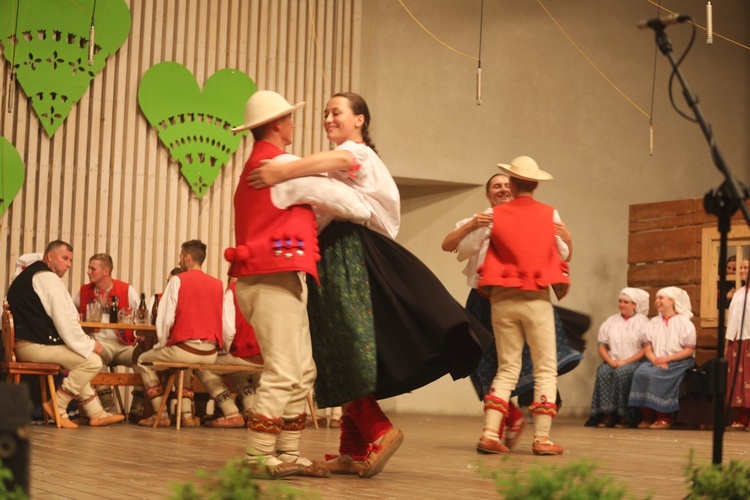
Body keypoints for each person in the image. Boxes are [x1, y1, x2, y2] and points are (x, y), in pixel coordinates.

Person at [248, 92, 493, 477]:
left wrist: (282, 172)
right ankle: (352, 447)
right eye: (326, 113)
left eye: (337, 112)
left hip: (348, 252)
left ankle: (378, 430)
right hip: (339, 253)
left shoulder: (355, 154)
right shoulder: (337, 168)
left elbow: (342, 160)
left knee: (342, 346)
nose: (328, 118)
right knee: (342, 347)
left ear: (360, 119)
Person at [225, 90, 372, 479]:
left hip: (272, 279)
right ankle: (258, 455)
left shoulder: (259, 165)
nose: (294, 122)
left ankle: (287, 452)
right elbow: (354, 205)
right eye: (289, 117)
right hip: (271, 280)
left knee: (303, 369)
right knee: (284, 370)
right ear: (277, 124)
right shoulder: (282, 164)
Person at [443, 173, 586, 444]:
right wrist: (473, 223)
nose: (503, 189)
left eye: (507, 185)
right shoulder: (487, 217)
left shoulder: (537, 217)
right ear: (488, 194)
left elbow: (564, 253)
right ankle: (517, 426)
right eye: (496, 186)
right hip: (486, 298)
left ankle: (501, 428)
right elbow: (449, 245)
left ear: (516, 189)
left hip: (514, 295)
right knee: (484, 364)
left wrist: (569, 238)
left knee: (521, 366)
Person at [471, 155, 570, 456]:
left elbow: (468, 247)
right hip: (535, 297)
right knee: (545, 368)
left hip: (501, 299)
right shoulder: (549, 214)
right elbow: (564, 253)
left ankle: (490, 432)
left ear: (512, 183)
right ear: (536, 183)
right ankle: (541, 438)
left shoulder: (495, 215)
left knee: (507, 367)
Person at [6, 240, 125, 428]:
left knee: (79, 363)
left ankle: (96, 413)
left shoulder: (26, 276)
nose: (69, 264)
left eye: (70, 260)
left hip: (24, 345)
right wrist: (91, 344)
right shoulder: (46, 278)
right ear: (50, 256)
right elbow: (65, 322)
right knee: (92, 361)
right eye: (65, 258)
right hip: (34, 347)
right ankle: (58, 406)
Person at [137, 240, 224, 428]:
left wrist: (162, 343)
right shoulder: (218, 284)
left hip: (186, 348)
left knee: (144, 360)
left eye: (180, 258)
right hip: (211, 353)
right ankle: (185, 414)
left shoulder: (178, 280)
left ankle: (161, 413)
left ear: (187, 257)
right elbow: (223, 321)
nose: (179, 262)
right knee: (186, 366)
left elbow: (165, 318)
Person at [74, 253, 142, 418]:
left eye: (92, 268)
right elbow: (72, 315)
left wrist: (139, 335)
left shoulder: (126, 289)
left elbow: (140, 314)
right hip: (99, 344)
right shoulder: (84, 291)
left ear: (106, 271)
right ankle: (108, 409)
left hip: (124, 343)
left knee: (143, 360)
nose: (88, 272)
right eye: (89, 268)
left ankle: (136, 409)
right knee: (94, 359)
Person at [194, 277, 262, 428]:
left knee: (201, 365)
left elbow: (229, 330)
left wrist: (225, 349)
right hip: (263, 357)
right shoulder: (262, 289)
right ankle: (252, 412)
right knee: (236, 373)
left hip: (244, 354)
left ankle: (231, 412)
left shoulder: (234, 290)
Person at [628, 286, 696, 430]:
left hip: (679, 361)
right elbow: (648, 348)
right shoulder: (653, 323)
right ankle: (647, 417)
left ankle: (664, 418)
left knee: (657, 375)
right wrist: (654, 360)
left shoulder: (684, 322)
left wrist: (668, 359)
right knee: (640, 373)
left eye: (661, 298)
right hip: (656, 360)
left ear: (672, 301)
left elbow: (689, 350)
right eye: (656, 299)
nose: (657, 301)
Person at [587, 288, 650, 428]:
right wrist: (610, 361)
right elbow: (602, 346)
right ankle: (608, 414)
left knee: (621, 374)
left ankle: (625, 416)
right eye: (620, 301)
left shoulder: (643, 322)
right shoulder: (611, 321)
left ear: (634, 304)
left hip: (635, 362)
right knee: (603, 372)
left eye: (626, 302)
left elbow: (646, 348)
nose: (621, 304)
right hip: (613, 361)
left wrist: (625, 361)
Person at [725, 258, 750, 431]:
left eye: (745, 267)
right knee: (739, 381)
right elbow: (732, 319)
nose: (742, 270)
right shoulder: (738, 293)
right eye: (740, 267)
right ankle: (742, 418)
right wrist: (727, 343)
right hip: (737, 340)